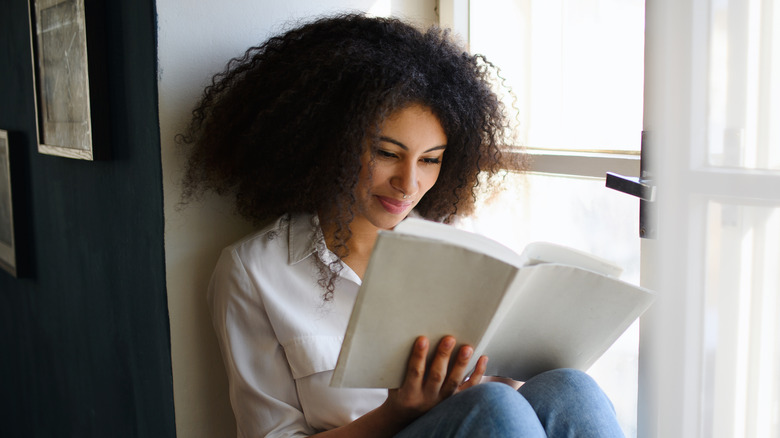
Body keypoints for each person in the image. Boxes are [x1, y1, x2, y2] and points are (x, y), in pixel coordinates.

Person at [179, 13, 625, 438]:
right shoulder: (255, 271)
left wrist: (493, 380)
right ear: (332, 141)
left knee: (570, 388)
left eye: (430, 160)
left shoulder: (459, 249)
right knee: (496, 409)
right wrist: (397, 414)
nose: (408, 183)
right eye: (387, 153)